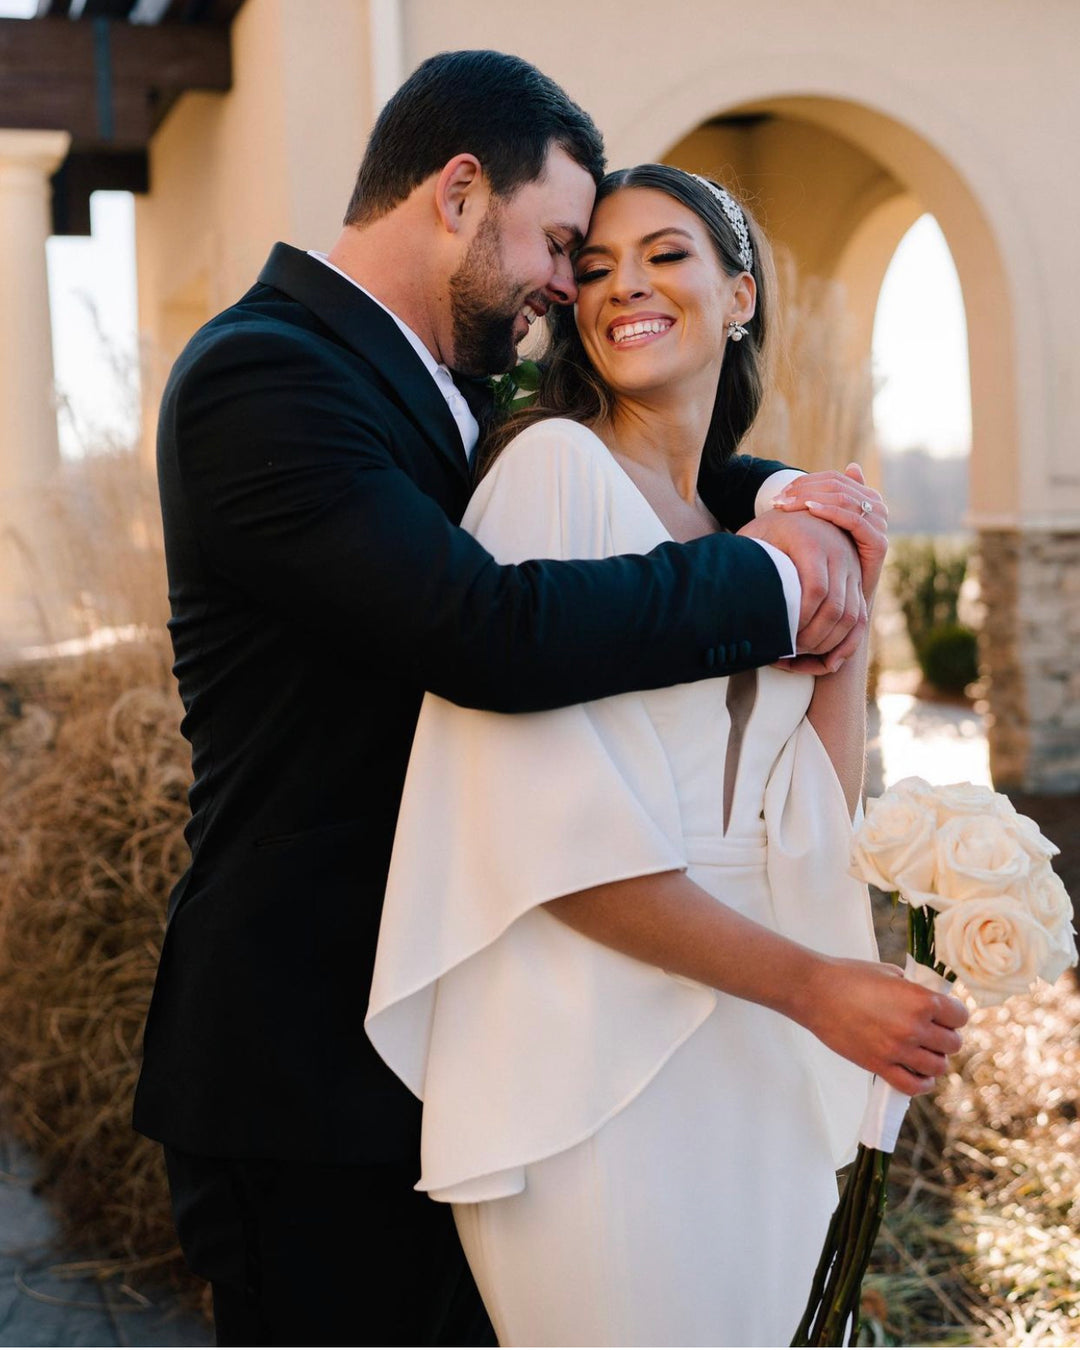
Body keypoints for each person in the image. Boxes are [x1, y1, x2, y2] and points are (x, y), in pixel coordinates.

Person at [135, 51, 876, 1348]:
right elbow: (485, 626)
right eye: (557, 243)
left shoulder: (459, 393)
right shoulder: (265, 378)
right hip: (308, 1061)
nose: (563, 284)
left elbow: (627, 472)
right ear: (460, 193)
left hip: (489, 1035)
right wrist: (770, 579)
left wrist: (774, 493)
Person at [365, 164, 970, 1347]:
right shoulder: (554, 474)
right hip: (599, 1058)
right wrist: (818, 990)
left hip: (757, 1037)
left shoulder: (739, 536)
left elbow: (804, 815)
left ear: (742, 291)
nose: (623, 285)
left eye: (666, 254)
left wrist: (844, 605)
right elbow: (547, 840)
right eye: (593, 268)